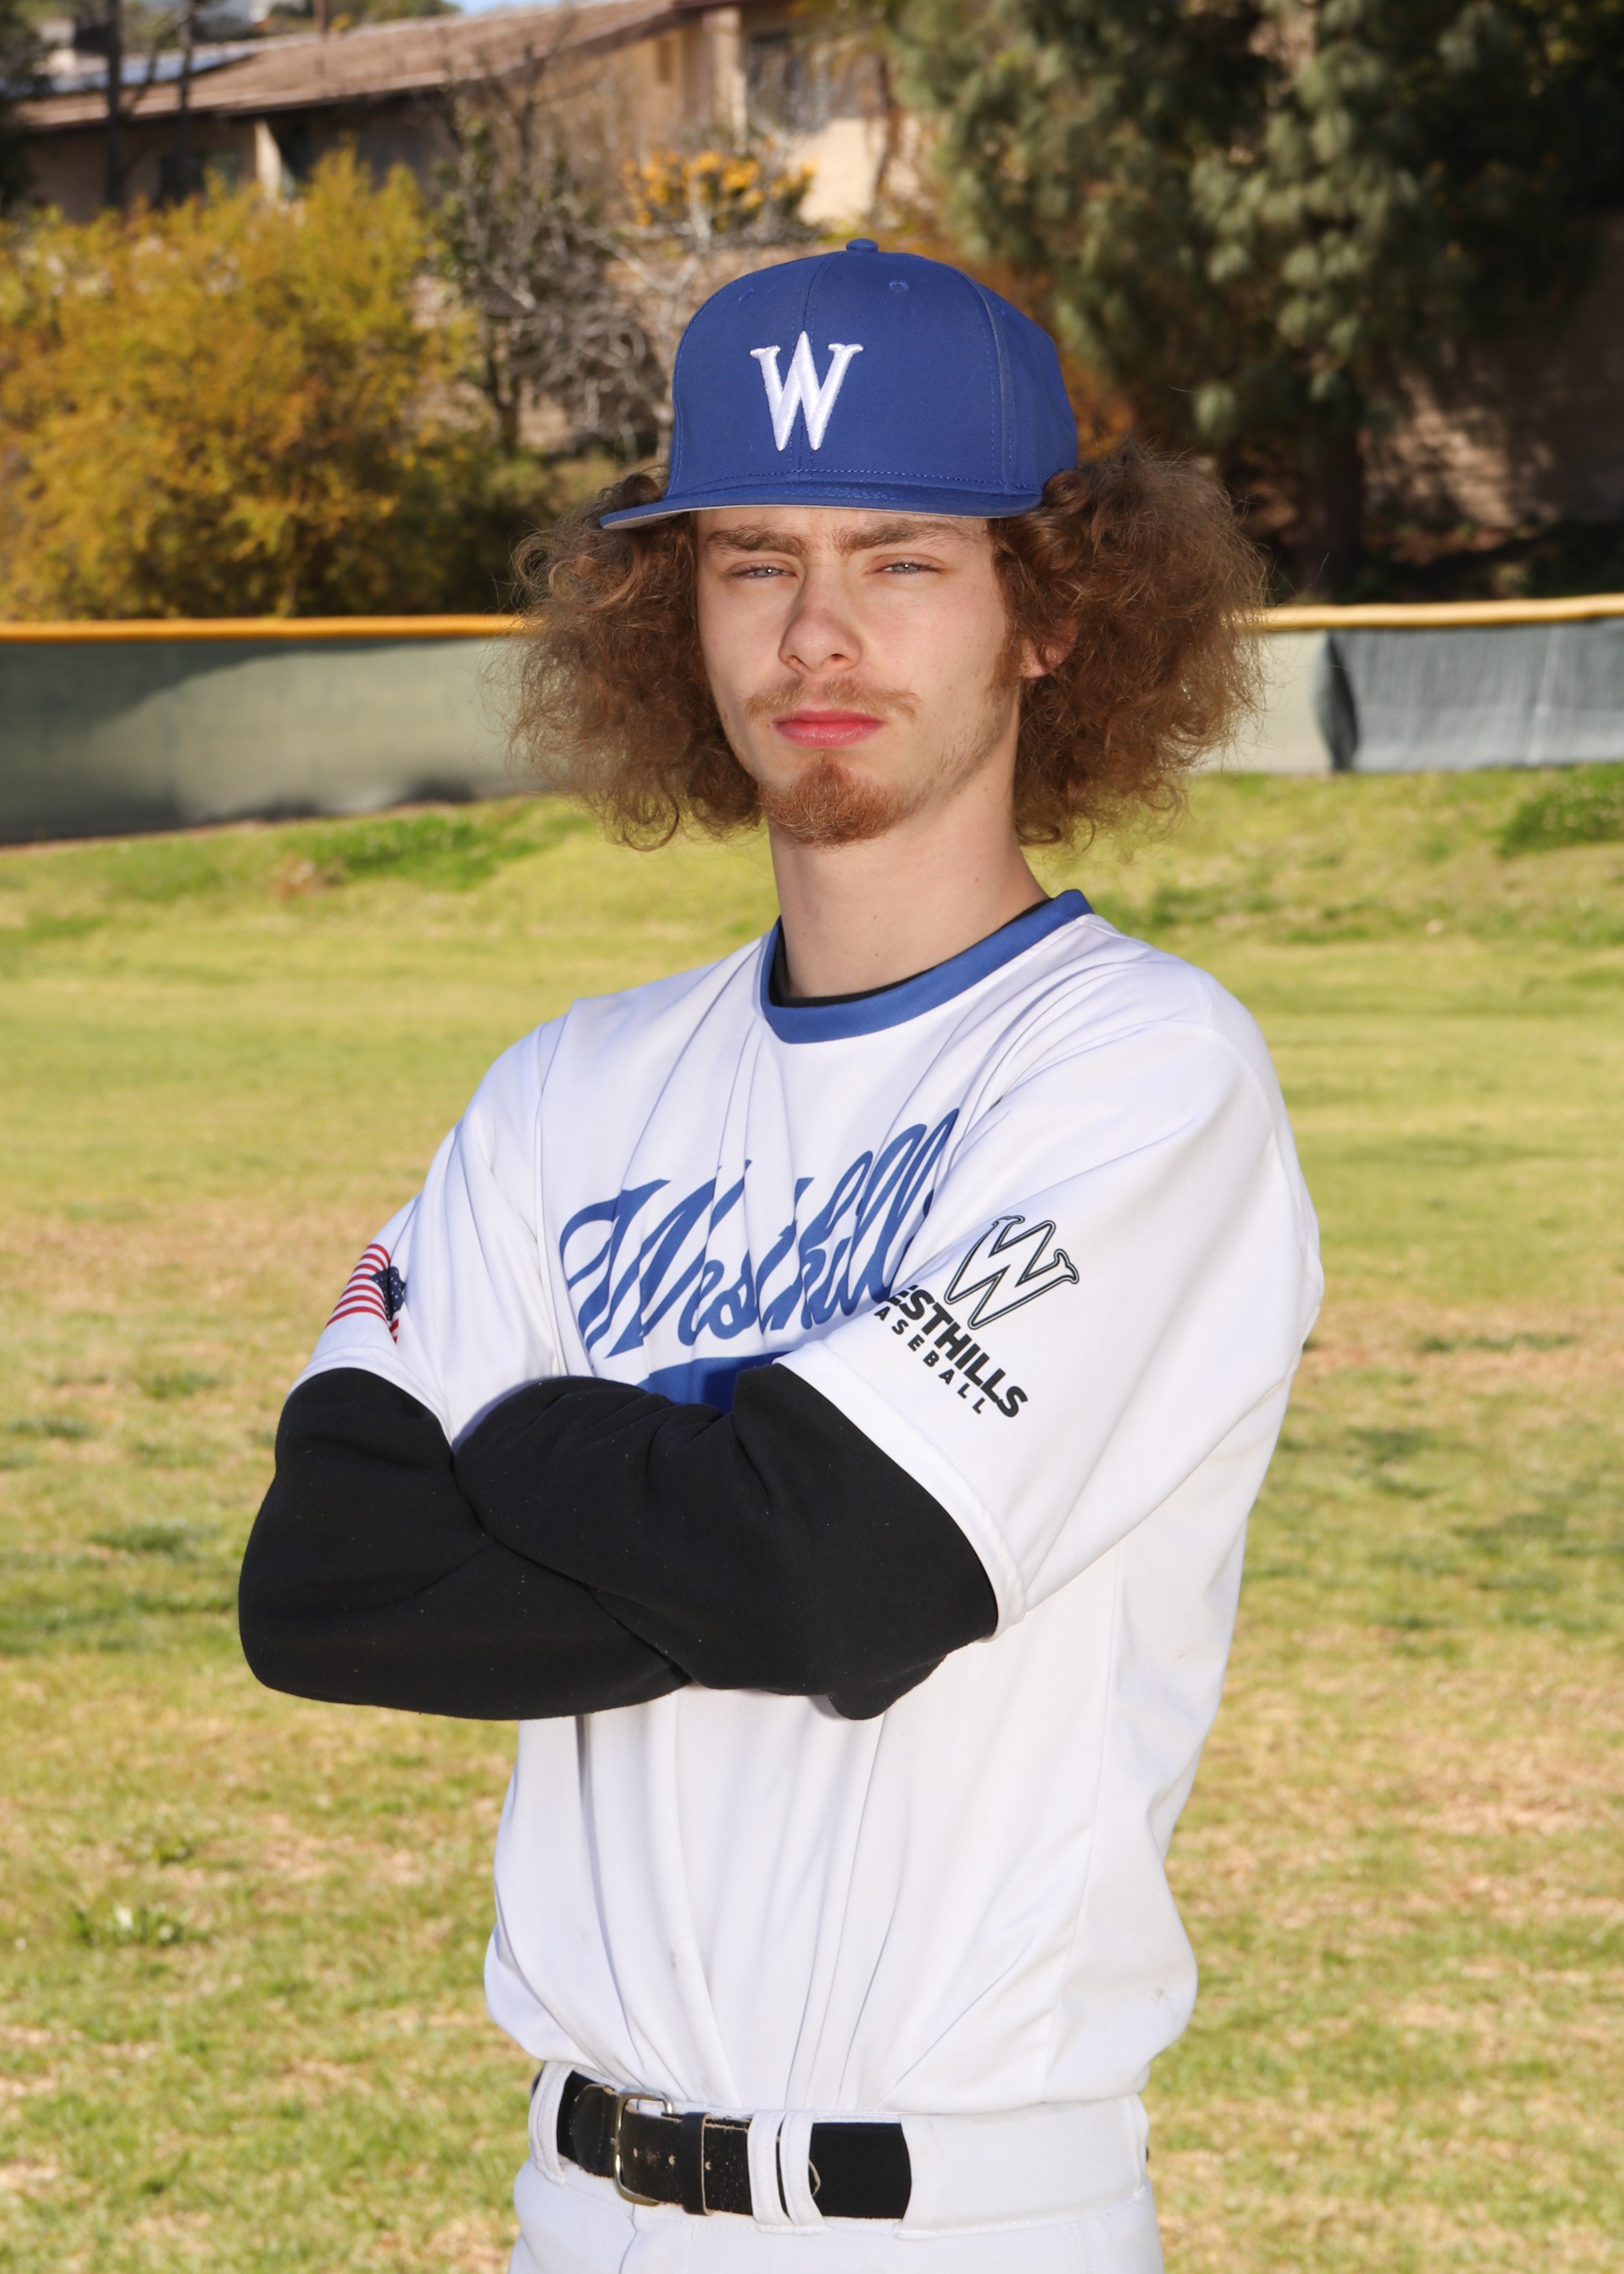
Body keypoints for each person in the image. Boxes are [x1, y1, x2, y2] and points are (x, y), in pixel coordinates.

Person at [239, 240, 1322, 2272]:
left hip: (952, 2219)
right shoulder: (570, 1087)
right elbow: (330, 1582)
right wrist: (738, 1487)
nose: (819, 631)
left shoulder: (1140, 1074)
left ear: (1052, 610)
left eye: (901, 557)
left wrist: (550, 1451)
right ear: (678, 609)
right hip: (573, 2209)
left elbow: (840, 1566)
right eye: (755, 560)